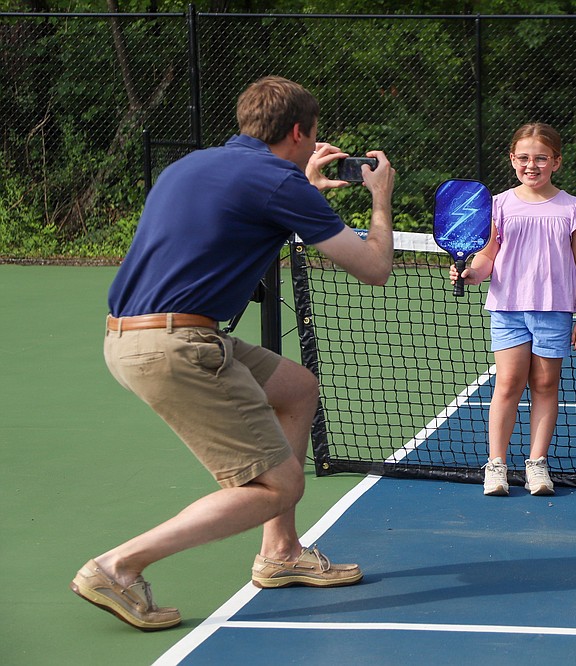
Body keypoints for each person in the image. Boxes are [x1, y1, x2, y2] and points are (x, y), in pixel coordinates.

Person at [70, 76, 396, 630]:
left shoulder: (190, 166)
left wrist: (302, 186)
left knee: (296, 387)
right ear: (299, 132)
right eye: (312, 136)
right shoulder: (277, 182)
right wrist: (380, 199)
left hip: (132, 336)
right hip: (179, 347)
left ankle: (281, 554)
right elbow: (373, 268)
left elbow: (234, 218)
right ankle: (119, 567)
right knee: (278, 485)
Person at [451, 123, 576, 497]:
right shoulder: (498, 204)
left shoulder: (575, 209)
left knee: (545, 385)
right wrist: (471, 274)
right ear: (513, 159)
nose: (532, 165)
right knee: (508, 384)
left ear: (556, 162)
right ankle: (496, 465)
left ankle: (537, 465)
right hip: (509, 310)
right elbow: (486, 257)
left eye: (541, 158)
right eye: (525, 158)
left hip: (555, 312)